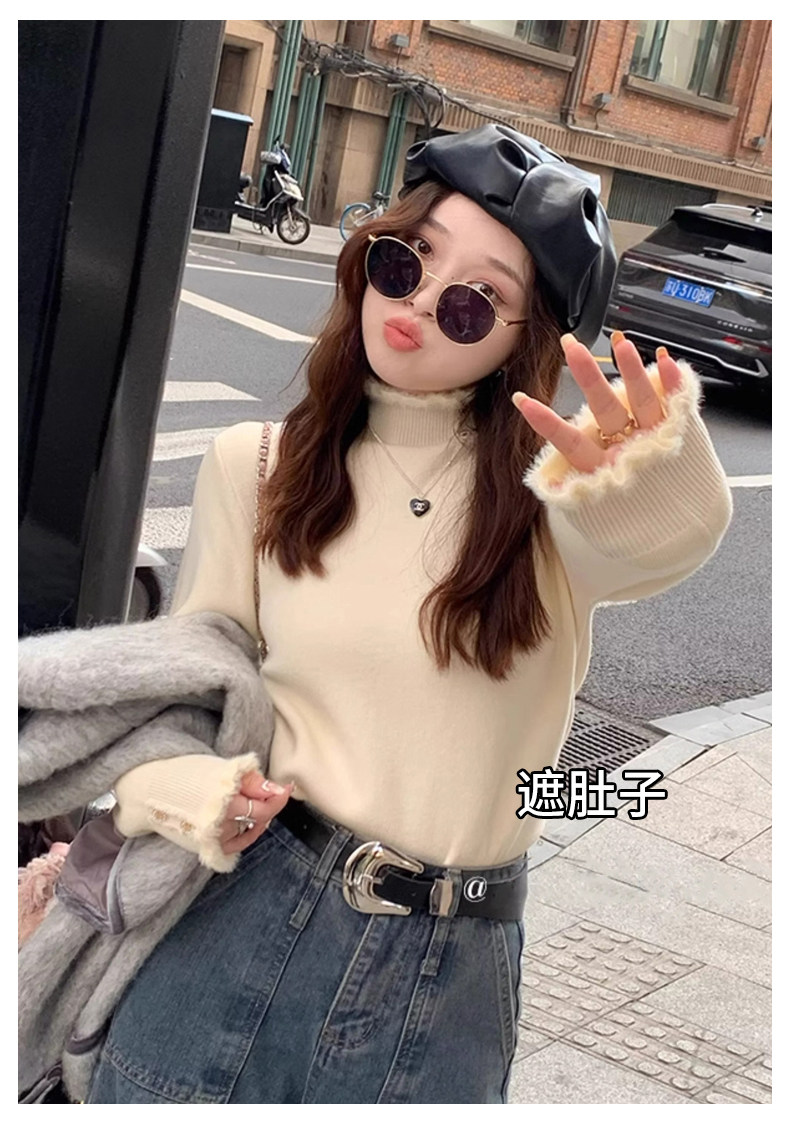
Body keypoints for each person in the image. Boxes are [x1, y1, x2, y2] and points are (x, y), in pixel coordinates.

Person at [85, 125, 732, 1104]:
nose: (422, 302)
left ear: (520, 342)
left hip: (453, 969)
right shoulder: (256, 466)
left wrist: (654, 469)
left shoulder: (552, 503)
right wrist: (179, 789)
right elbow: (189, 687)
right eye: (408, 260)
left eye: (474, 302)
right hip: (242, 915)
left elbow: (668, 536)